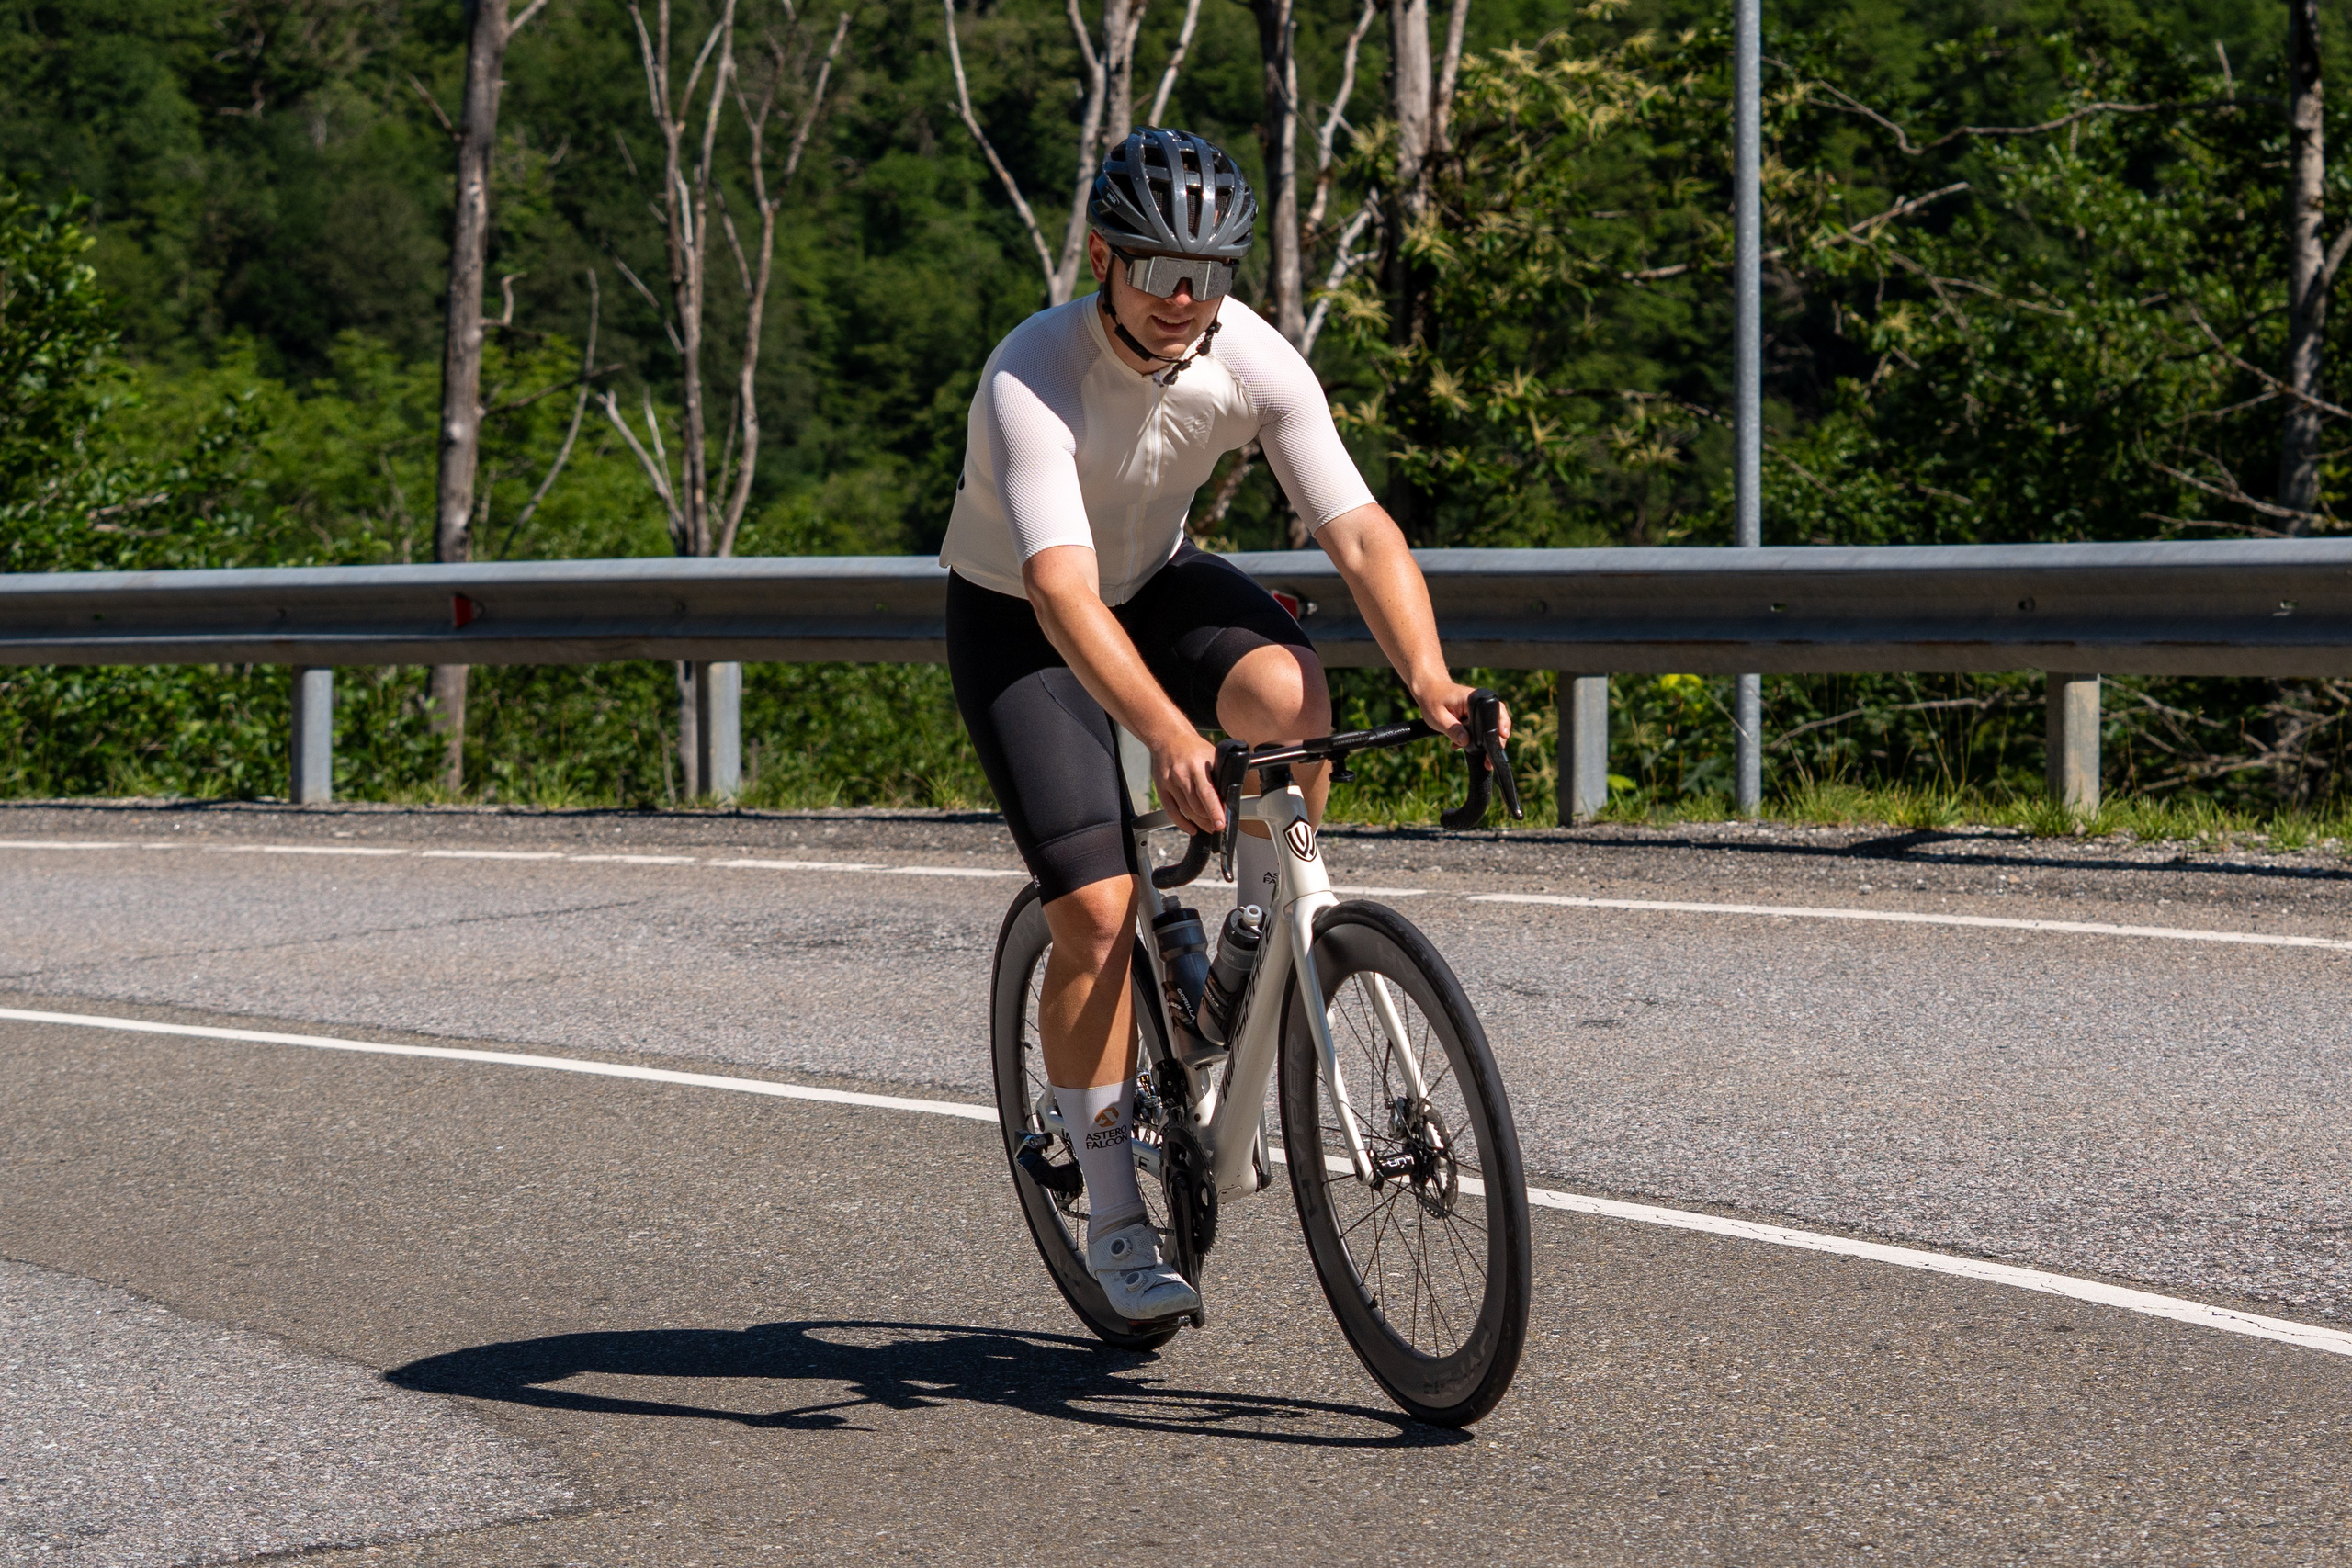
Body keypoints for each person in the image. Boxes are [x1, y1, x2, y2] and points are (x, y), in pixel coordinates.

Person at [941, 127, 1507, 1324]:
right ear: (1104, 257)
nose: (1182, 301)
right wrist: (1167, 734)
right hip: (1022, 619)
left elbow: (1358, 532)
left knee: (1292, 698)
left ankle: (1248, 952)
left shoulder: (1248, 355)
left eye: (1208, 275)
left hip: (1155, 580)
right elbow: (1059, 593)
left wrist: (1432, 680)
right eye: (1155, 271)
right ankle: (1110, 1211)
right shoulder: (1029, 374)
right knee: (1094, 917)